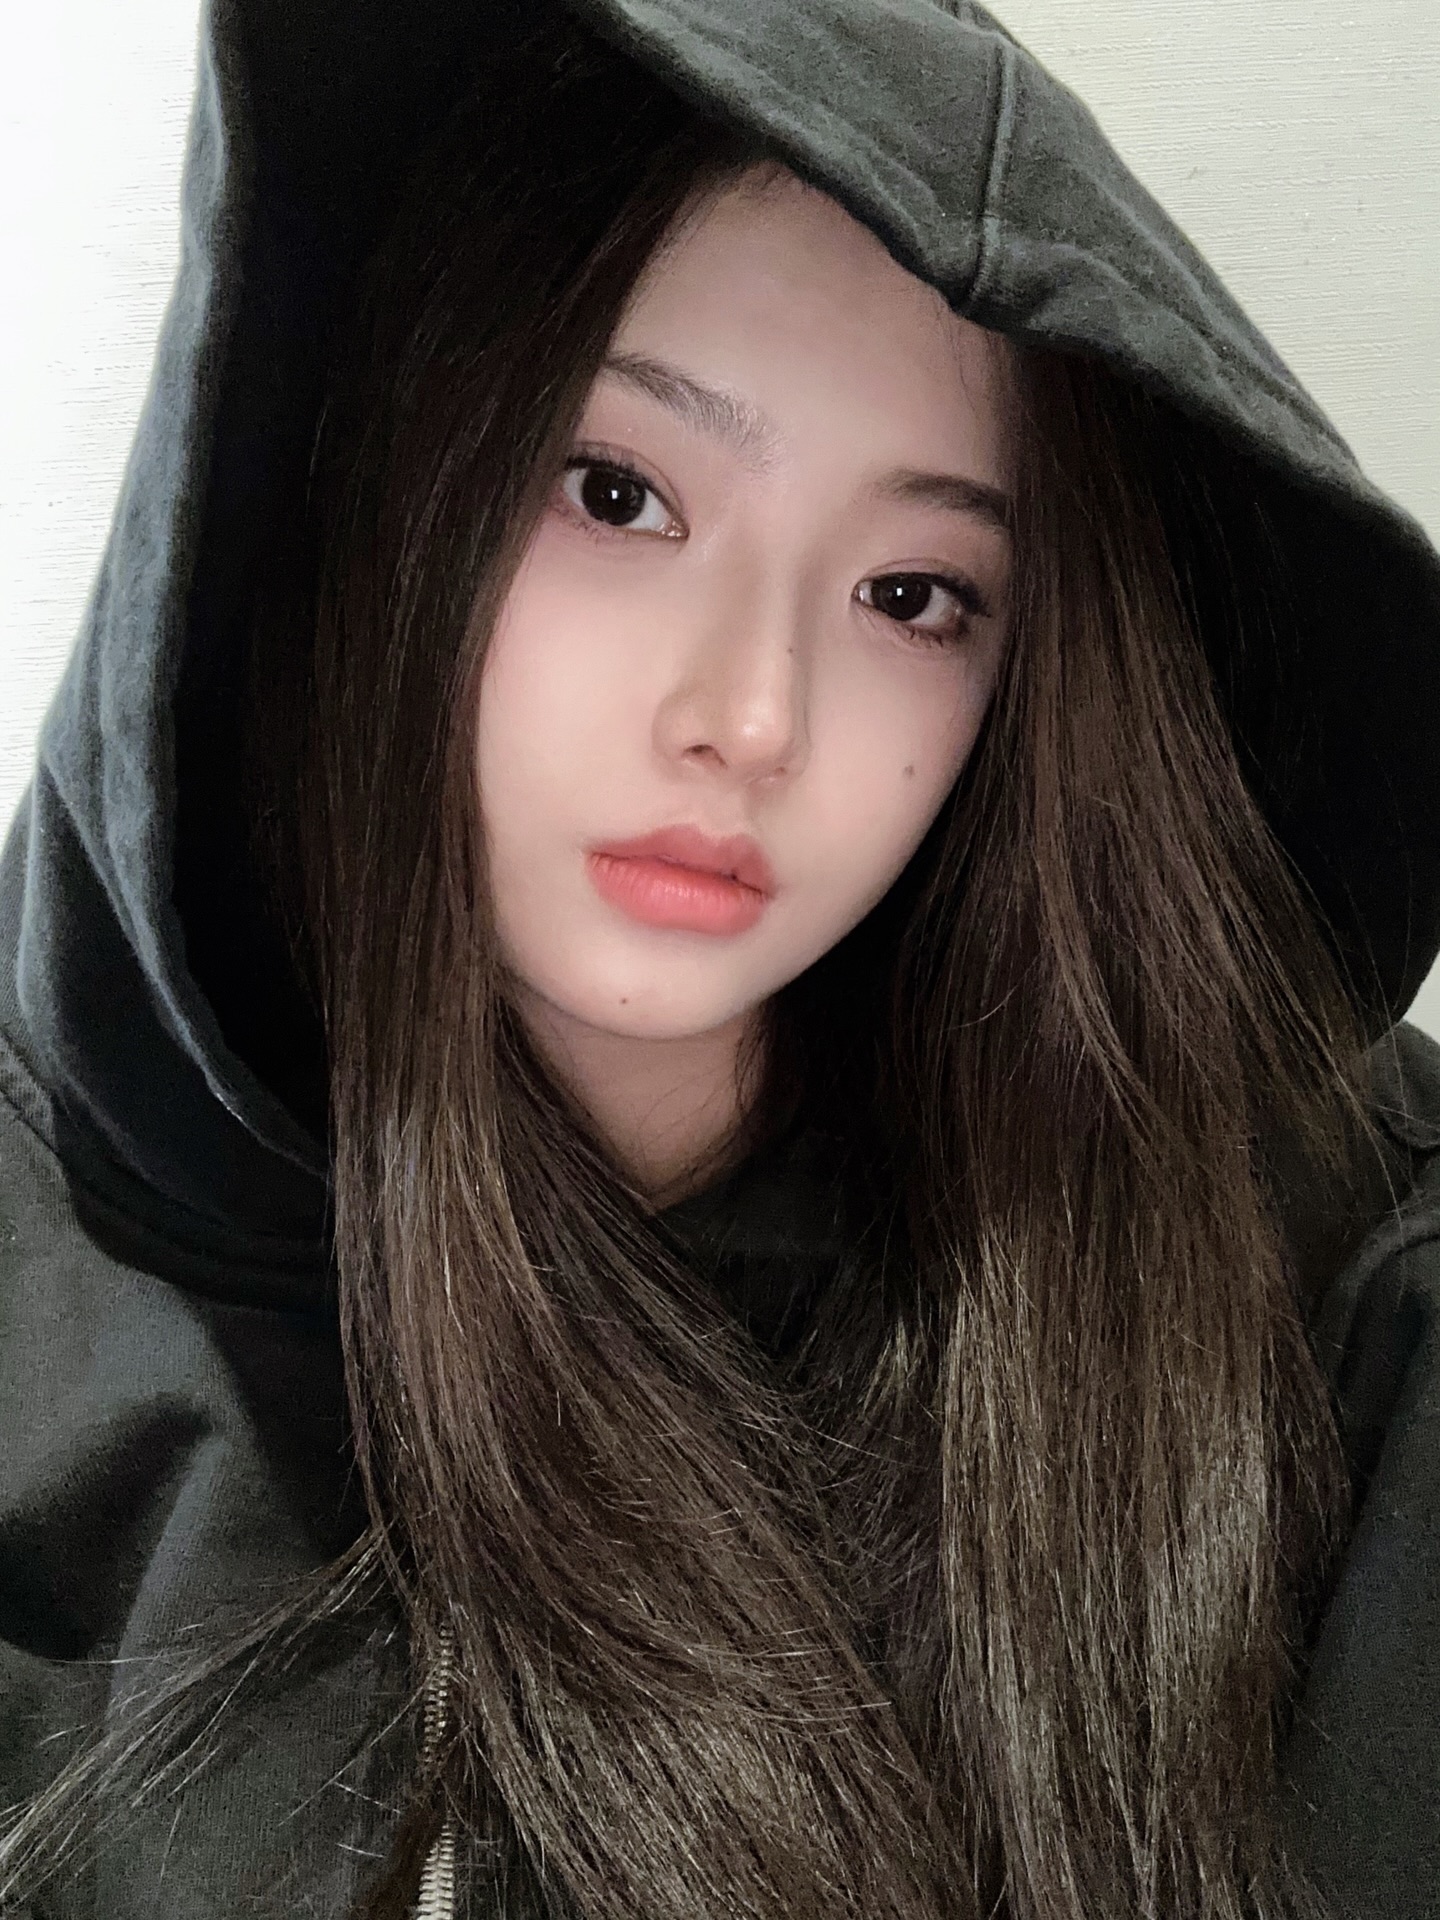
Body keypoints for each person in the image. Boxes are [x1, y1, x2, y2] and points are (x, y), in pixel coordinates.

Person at [0, 3, 1437, 1917]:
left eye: (913, 595)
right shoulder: (49, 1319)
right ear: (371, 464)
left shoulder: (1328, 1291)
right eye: (620, 493)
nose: (754, 717)